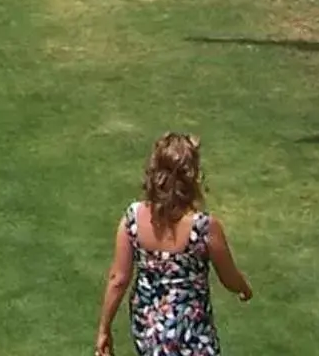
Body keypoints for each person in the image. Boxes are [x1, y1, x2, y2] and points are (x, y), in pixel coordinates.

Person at [95, 132, 253, 355]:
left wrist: (104, 329)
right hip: (193, 335)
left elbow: (118, 280)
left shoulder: (132, 218)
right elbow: (229, 278)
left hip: (149, 332)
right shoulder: (204, 227)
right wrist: (243, 287)